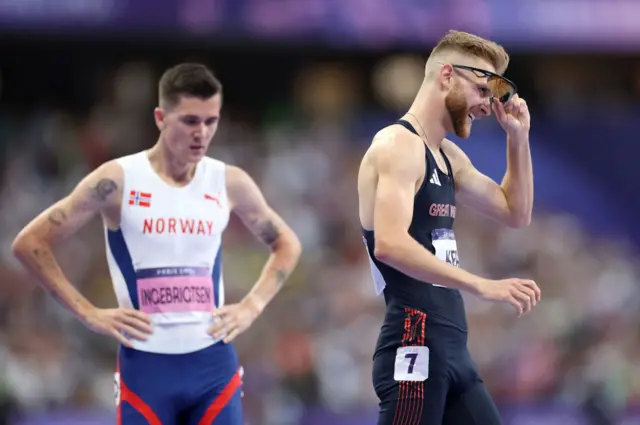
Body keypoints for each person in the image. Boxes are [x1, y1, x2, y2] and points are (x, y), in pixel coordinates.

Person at [12, 63, 302, 425]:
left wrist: (252, 305)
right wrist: (87, 312)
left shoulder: (228, 181)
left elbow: (287, 243)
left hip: (213, 364)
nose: (202, 133)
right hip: (147, 368)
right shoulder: (117, 180)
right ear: (161, 118)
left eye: (211, 121)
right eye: (190, 121)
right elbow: (30, 243)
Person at [357, 30, 542, 425]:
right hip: (414, 342)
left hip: (451, 348)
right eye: (481, 89)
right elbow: (389, 244)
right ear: (446, 76)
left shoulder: (446, 156)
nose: (486, 104)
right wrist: (480, 284)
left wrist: (518, 139)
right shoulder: (397, 146)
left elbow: (515, 213)